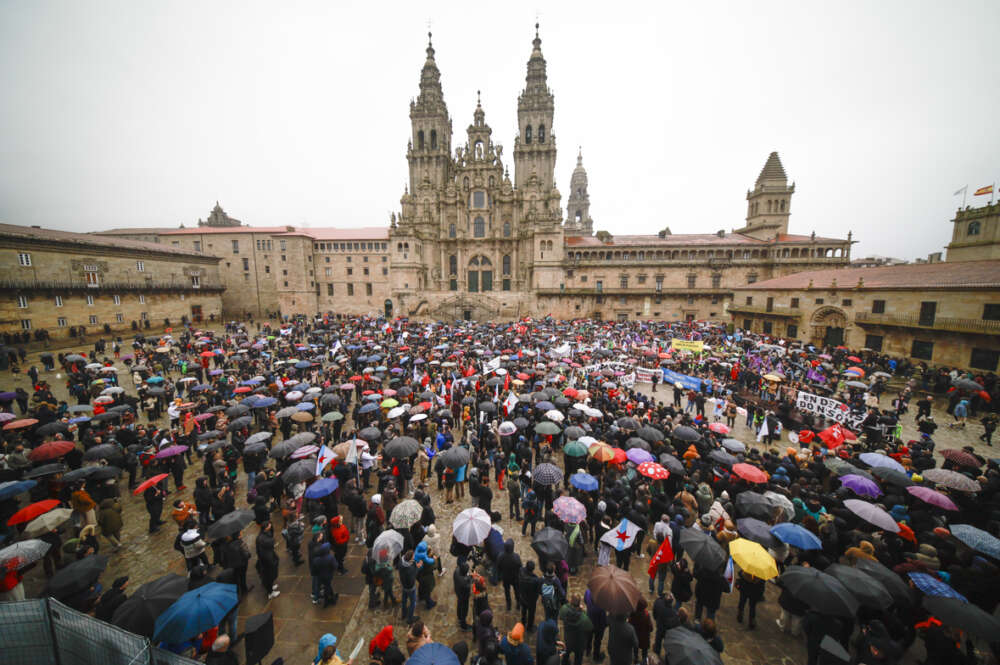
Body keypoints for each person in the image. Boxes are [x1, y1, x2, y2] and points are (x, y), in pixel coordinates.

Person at [558, 594, 593, 665]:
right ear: (579, 603)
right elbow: (590, 627)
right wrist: (583, 611)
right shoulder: (584, 618)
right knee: (578, 658)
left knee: (565, 652)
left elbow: (560, 617)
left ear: (571, 601)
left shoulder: (564, 609)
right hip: (579, 643)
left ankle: (564, 662)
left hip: (568, 639)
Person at [255, 521, 281, 599]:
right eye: (269, 525)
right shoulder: (264, 540)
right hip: (268, 562)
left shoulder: (262, 536)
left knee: (270, 576)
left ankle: (271, 587)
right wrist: (273, 561)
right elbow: (265, 554)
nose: (270, 526)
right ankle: (270, 592)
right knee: (269, 576)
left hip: (268, 560)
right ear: (266, 528)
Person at [497, 538, 523, 612]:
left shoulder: (501, 556)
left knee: (507, 591)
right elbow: (520, 568)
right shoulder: (516, 557)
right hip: (515, 578)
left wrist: (499, 576)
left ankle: (509, 605)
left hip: (505, 578)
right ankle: (518, 603)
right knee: (517, 591)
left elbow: (498, 567)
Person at [518, 560, 540, 632]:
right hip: (531, 600)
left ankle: (523, 621)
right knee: (531, 614)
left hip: (522, 596)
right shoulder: (535, 580)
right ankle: (529, 627)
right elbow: (539, 590)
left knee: (523, 610)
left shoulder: (521, 572)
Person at [454, 560, 473, 631]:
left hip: (458, 592)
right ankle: (463, 624)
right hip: (464, 596)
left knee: (459, 604)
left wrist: (469, 576)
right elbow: (468, 584)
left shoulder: (456, 571)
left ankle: (459, 617)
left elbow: (465, 577)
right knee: (464, 609)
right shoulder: (464, 582)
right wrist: (471, 578)